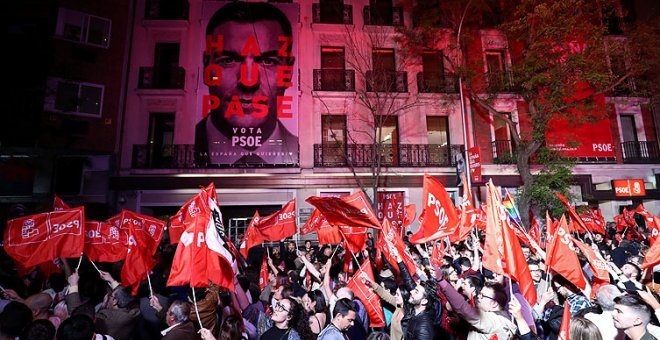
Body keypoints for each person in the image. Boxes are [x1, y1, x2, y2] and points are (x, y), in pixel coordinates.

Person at [195, 2, 298, 166]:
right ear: (207, 65)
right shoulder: (193, 145)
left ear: (289, 70)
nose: (248, 81)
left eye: (267, 61)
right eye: (228, 60)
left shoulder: (298, 149)